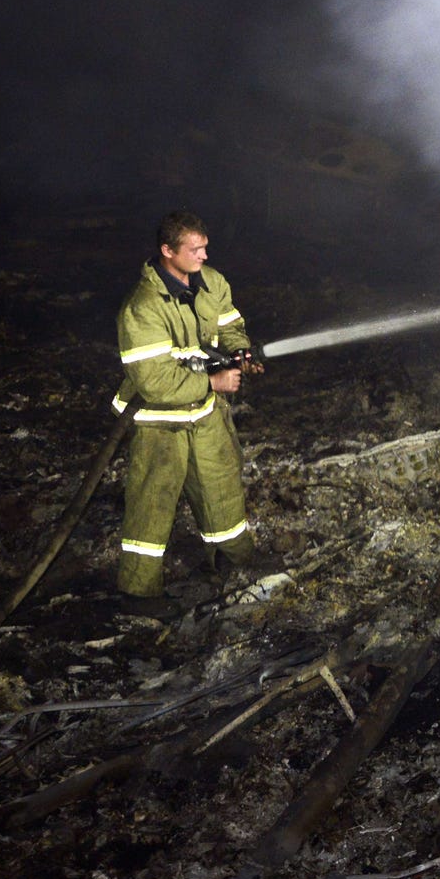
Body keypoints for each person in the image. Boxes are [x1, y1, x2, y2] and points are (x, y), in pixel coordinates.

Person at [112, 211, 264, 601]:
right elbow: (154, 381)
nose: (203, 256)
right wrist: (214, 381)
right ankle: (139, 594)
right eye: (195, 250)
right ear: (168, 251)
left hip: (204, 413)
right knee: (152, 506)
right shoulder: (142, 307)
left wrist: (240, 352)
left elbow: (229, 327)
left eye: (205, 247)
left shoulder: (212, 283)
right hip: (159, 423)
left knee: (221, 489)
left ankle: (236, 564)